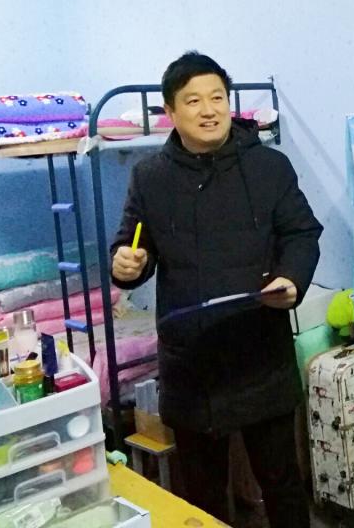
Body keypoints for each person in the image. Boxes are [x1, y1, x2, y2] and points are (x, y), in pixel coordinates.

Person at [111, 51, 322, 528]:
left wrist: (292, 278)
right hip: (193, 364)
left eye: (217, 98)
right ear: (171, 111)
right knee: (201, 494)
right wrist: (125, 264)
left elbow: (301, 233)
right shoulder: (150, 177)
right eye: (193, 101)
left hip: (260, 353)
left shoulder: (269, 167)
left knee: (282, 484)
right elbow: (131, 248)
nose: (209, 110)